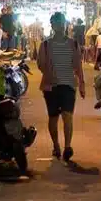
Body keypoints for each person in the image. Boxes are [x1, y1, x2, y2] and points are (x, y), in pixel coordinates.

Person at [36, 12, 85, 161]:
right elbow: (41, 64)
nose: (61, 26)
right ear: (52, 25)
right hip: (51, 86)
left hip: (68, 85)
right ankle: (56, 145)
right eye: (57, 23)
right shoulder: (45, 45)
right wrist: (50, 74)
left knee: (67, 115)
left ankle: (67, 146)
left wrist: (82, 84)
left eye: (62, 23)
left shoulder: (73, 44)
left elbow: (78, 65)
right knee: (53, 117)